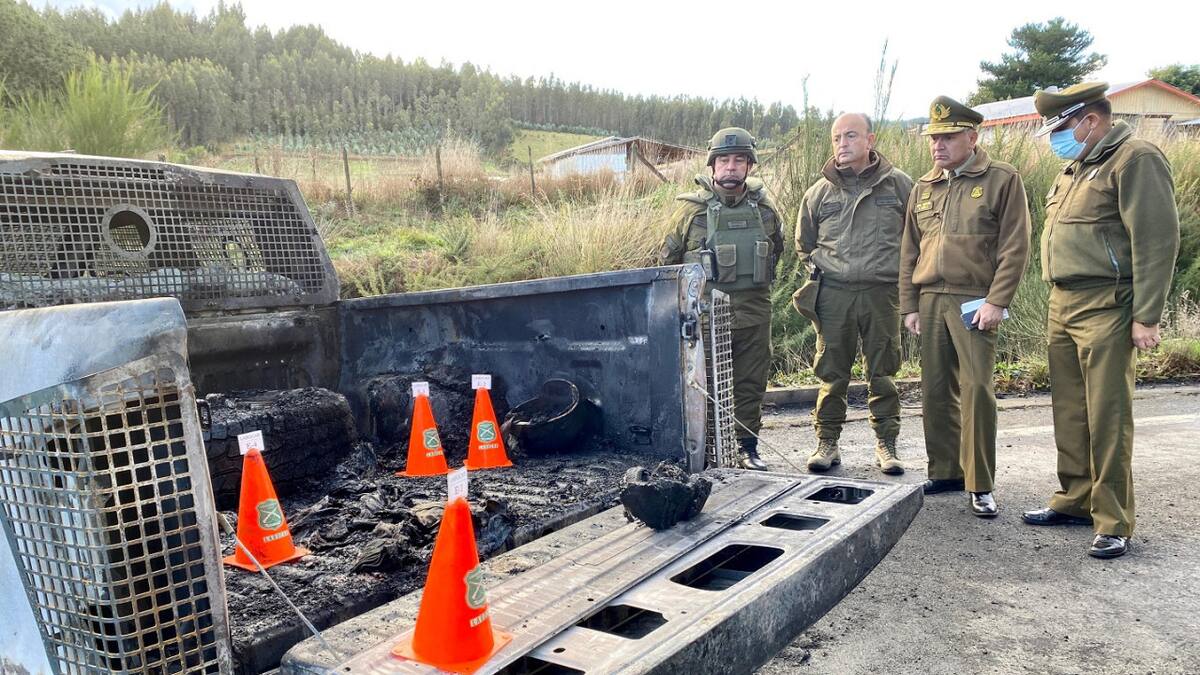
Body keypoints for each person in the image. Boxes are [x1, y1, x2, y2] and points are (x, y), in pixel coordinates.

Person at [1021, 82, 1180, 559]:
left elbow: (1157, 241)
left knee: (1108, 416)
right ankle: (1074, 499)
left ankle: (1113, 520)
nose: (1056, 139)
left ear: (1090, 120)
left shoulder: (1134, 159)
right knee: (1070, 411)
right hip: (1063, 302)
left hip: (1108, 304)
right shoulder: (1075, 168)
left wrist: (1146, 316)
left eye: (1062, 127)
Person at [899, 96, 1030, 517]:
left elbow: (1015, 246)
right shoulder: (924, 186)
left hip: (974, 300)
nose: (938, 145)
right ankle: (945, 470)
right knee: (936, 390)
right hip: (931, 298)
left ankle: (980, 483)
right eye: (934, 138)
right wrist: (909, 306)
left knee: (976, 390)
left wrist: (997, 301)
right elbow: (908, 251)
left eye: (949, 137)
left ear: (972, 137)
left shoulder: (1000, 179)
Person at [660, 127, 785, 471]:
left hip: (754, 314)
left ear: (750, 166)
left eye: (739, 160)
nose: (731, 167)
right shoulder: (690, 213)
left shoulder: (766, 212)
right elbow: (666, 267)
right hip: (705, 317)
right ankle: (707, 454)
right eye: (724, 160)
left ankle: (748, 448)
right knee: (703, 387)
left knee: (750, 384)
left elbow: (777, 254)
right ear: (713, 165)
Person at [796, 113, 913, 475]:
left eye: (850, 136)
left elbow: (917, 236)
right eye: (836, 138)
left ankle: (887, 444)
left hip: (882, 294)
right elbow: (804, 244)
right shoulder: (819, 193)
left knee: (883, 372)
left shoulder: (899, 187)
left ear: (870, 140)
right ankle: (827, 442)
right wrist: (826, 269)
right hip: (835, 296)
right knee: (832, 374)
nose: (842, 144)